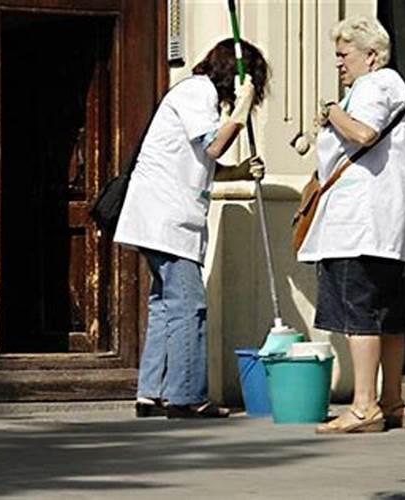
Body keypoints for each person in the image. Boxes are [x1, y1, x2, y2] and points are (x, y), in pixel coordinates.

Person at [113, 39, 270, 419]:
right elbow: (214, 147)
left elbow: (202, 165)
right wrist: (244, 107)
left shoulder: (192, 96)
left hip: (162, 217)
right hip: (167, 219)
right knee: (189, 306)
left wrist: (240, 171)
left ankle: (151, 392)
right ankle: (186, 396)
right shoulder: (197, 91)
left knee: (166, 306)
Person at [297, 16, 405, 433]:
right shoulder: (387, 86)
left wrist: (331, 112)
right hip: (381, 224)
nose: (338, 63)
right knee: (387, 314)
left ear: (370, 55)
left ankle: (365, 405)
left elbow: (364, 134)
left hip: (359, 224)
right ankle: (392, 401)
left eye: (343, 54)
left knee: (360, 314)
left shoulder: (374, 85)